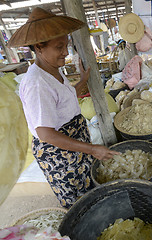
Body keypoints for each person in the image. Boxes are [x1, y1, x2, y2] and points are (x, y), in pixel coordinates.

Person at [8, 7, 119, 209]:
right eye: (59, 47)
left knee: (89, 192)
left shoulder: (53, 71)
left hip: (74, 144)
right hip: (60, 155)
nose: (66, 52)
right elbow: (46, 133)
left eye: (66, 45)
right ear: (39, 48)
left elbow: (62, 102)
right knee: (78, 204)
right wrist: (92, 149)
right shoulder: (36, 83)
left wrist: (82, 82)